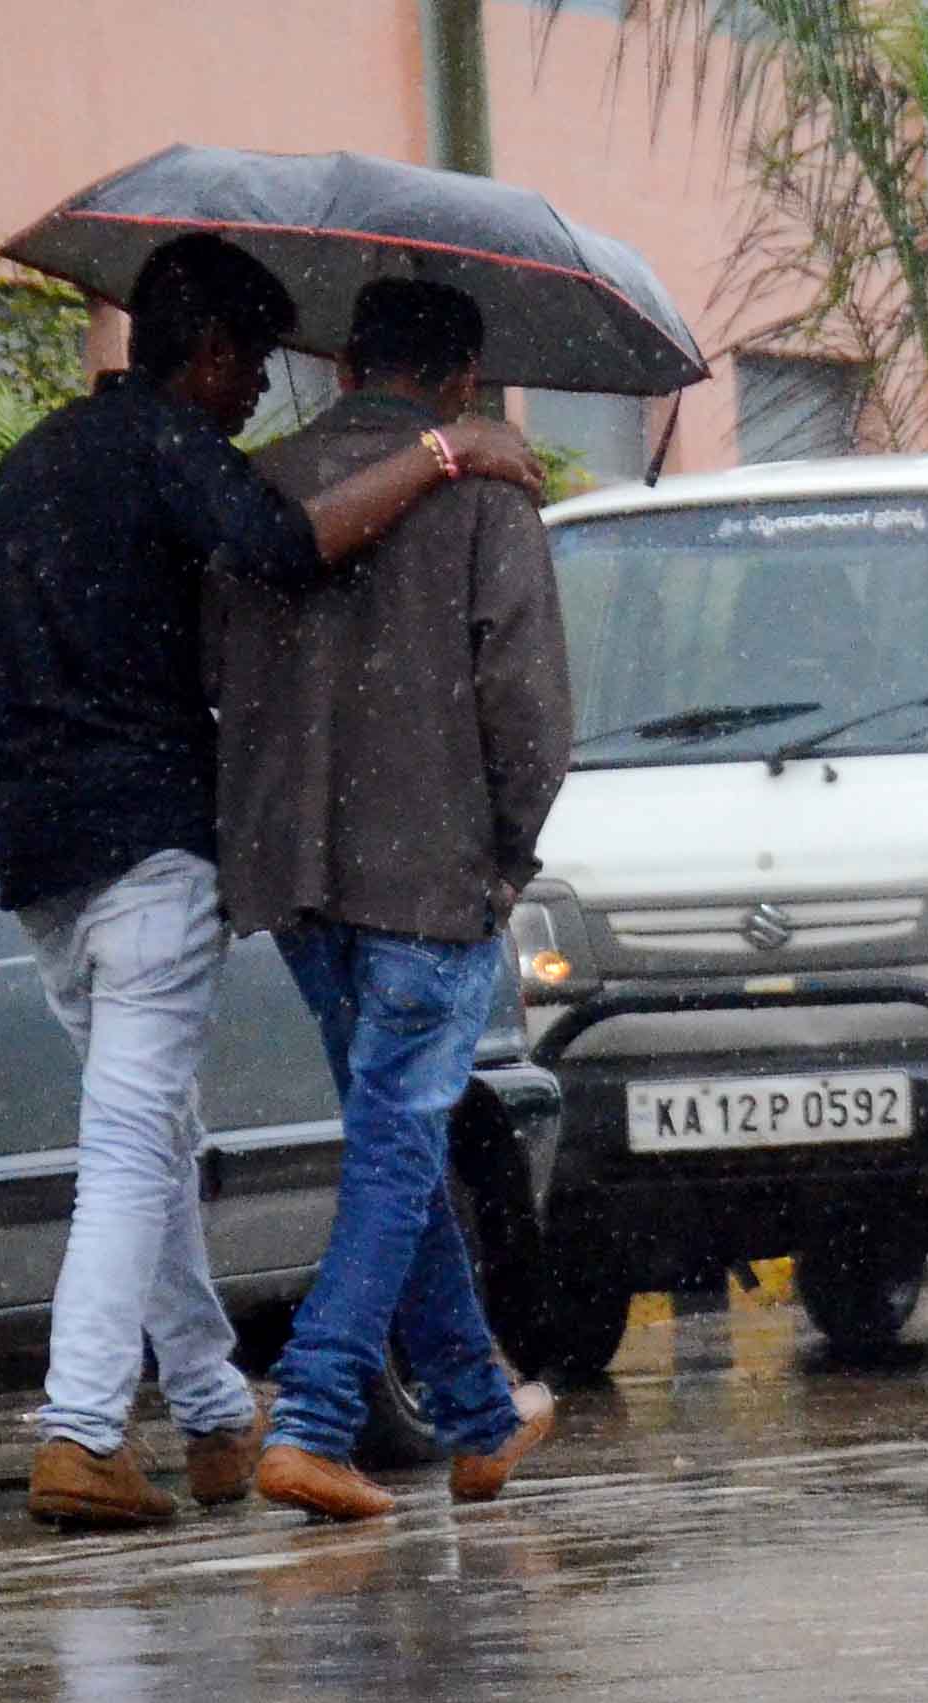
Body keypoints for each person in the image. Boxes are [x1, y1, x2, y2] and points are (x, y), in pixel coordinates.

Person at [0, 232, 545, 1528]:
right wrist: (453, 454)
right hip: (161, 850)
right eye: (248, 373)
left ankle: (232, 1414)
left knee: (168, 1137)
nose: (253, 403)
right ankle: (102, 1427)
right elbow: (292, 551)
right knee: (150, 1144)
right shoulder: (184, 455)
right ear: (212, 353)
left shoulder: (34, 461)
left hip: (42, 852)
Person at [209, 278, 575, 1522]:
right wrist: (506, 858)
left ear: (349, 358)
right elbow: (527, 711)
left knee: (393, 1139)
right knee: (396, 1143)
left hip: (296, 873)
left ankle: (476, 1412)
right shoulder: (487, 491)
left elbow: (220, 669)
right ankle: (310, 1417)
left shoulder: (265, 482)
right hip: (430, 872)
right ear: (463, 382)